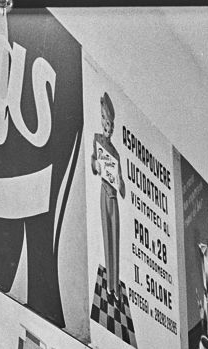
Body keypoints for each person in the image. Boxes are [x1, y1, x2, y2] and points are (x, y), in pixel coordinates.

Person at [91, 91, 126, 305]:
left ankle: (114, 287)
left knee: (115, 239)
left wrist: (121, 185)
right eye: (106, 122)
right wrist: (95, 165)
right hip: (103, 193)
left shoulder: (116, 152)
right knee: (106, 237)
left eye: (111, 125)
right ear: (102, 120)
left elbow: (120, 181)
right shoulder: (96, 140)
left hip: (113, 196)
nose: (108, 127)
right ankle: (109, 287)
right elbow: (94, 162)